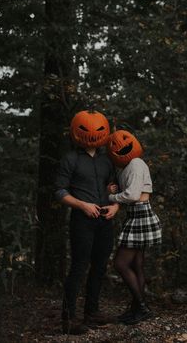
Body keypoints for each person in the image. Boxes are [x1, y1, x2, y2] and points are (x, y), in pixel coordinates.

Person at [55, 110, 119, 335]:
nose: (92, 133)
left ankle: (92, 312)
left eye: (98, 129)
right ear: (76, 131)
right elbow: (60, 192)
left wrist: (116, 206)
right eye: (86, 129)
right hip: (82, 221)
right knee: (79, 266)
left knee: (100, 266)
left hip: (105, 220)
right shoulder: (70, 159)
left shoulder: (107, 158)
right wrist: (83, 205)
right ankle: (69, 317)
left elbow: (115, 188)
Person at [107, 129, 162, 325]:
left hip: (141, 214)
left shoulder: (136, 163)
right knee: (136, 264)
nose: (119, 147)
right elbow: (127, 190)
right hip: (135, 214)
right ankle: (137, 308)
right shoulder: (125, 167)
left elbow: (131, 195)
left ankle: (142, 307)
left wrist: (111, 197)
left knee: (121, 264)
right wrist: (114, 188)